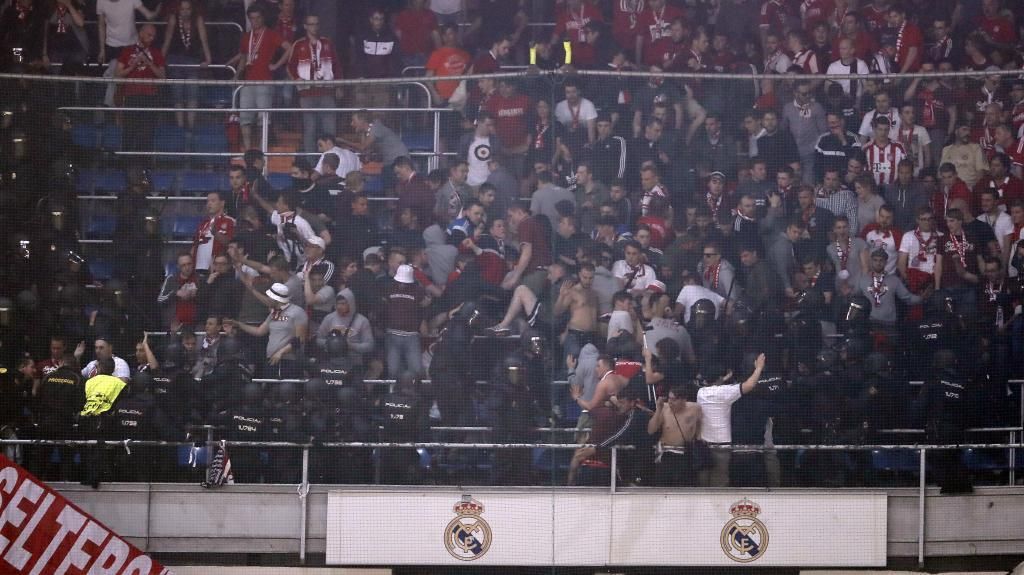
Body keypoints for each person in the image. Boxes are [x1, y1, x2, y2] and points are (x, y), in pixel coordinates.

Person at [697, 352, 767, 487]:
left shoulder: (701, 393)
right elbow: (749, 385)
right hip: (721, 444)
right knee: (720, 480)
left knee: (704, 481)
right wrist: (758, 368)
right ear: (719, 378)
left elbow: (716, 385)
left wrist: (723, 377)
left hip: (704, 444)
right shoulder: (726, 392)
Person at [233, 3, 290, 151]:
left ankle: (260, 150)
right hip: (248, 81)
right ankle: (247, 150)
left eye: (258, 18)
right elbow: (244, 57)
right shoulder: (246, 37)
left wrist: (276, 65)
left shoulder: (271, 34)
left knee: (263, 118)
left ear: (263, 18)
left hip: (265, 81)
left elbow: (289, 48)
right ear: (249, 20)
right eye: (252, 18)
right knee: (245, 118)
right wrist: (238, 75)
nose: (255, 21)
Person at [226, 282, 308, 379]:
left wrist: (281, 352)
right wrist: (239, 324)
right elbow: (259, 331)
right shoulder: (274, 314)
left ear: (275, 299)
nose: (267, 299)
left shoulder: (297, 312)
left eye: (269, 297)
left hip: (289, 360)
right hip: (272, 359)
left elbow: (300, 339)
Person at [287, 14, 343, 153]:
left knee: (329, 130)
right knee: (310, 129)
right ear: (305, 26)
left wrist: (339, 86)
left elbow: (337, 66)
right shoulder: (299, 44)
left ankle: (332, 162)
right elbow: (290, 67)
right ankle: (312, 164)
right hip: (306, 93)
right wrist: (296, 79)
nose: (314, 27)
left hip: (326, 92)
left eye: (316, 24)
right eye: (311, 24)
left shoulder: (327, 43)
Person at [115, 24, 166, 155]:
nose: (151, 38)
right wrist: (133, 65)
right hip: (131, 96)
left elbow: (162, 75)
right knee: (129, 132)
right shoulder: (127, 51)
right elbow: (118, 74)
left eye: (153, 36)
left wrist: (148, 62)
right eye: (149, 35)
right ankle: (126, 164)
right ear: (141, 33)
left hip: (149, 97)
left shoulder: (156, 53)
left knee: (147, 134)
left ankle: (144, 167)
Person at [161, 0, 211, 132]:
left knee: (192, 92)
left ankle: (191, 126)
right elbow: (167, 39)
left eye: (187, 9)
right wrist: (159, 60)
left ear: (192, 9)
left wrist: (208, 58)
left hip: (193, 59)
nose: (185, 12)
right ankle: (180, 126)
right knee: (177, 93)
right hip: (175, 59)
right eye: (182, 9)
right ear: (179, 10)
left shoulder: (198, 19)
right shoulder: (173, 19)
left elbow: (204, 39)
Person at [648, 385, 702, 486]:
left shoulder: (695, 409)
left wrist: (697, 441)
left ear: (683, 400)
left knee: (683, 488)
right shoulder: (664, 408)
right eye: (669, 398)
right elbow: (651, 430)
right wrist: (658, 409)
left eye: (674, 400)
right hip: (667, 453)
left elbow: (699, 427)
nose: (670, 402)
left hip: (685, 454)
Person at [384, 264, 428, 377]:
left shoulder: (419, 291)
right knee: (393, 371)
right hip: (392, 335)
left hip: (412, 336)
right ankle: (393, 393)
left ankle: (413, 393)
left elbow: (425, 306)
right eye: (400, 282)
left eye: (405, 282)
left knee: (416, 370)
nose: (402, 284)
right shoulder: (388, 288)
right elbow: (381, 308)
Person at [191, 191, 236, 276]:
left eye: (213, 201)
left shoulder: (230, 221)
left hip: (218, 268)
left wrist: (215, 233)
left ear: (222, 203)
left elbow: (231, 243)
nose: (209, 204)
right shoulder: (203, 224)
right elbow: (195, 246)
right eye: (208, 201)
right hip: (198, 269)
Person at [158, 252, 199, 329]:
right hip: (175, 325)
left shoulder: (199, 279)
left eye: (189, 264)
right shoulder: (171, 279)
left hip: (196, 325)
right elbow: (160, 300)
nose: (187, 267)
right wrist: (176, 293)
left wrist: (197, 294)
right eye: (183, 265)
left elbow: (208, 301)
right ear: (178, 266)